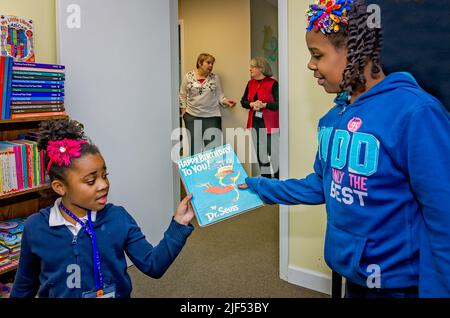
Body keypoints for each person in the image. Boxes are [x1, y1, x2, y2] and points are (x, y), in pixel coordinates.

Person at [240, 0, 450, 298]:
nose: (310, 64)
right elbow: (320, 184)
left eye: (317, 55)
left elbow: (443, 216)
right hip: (352, 273)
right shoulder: (333, 118)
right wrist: (259, 186)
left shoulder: (416, 113)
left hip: (399, 284)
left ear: (356, 53)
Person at [10, 119, 195, 298]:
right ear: (60, 187)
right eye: (91, 181)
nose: (103, 185)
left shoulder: (118, 218)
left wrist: (179, 223)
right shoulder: (36, 227)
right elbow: (24, 286)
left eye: (104, 175)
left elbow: (153, 265)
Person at [179, 53, 236, 155]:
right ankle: (198, 171)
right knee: (195, 149)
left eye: (212, 64)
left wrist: (225, 101)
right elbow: (182, 95)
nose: (211, 66)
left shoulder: (215, 78)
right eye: (208, 63)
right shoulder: (188, 76)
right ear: (200, 63)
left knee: (213, 150)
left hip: (212, 117)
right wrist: (184, 114)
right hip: (192, 117)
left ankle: (213, 171)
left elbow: (220, 96)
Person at [241, 57, 280, 179]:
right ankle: (266, 182)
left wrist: (265, 105)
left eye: (253, 67)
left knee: (274, 155)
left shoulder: (273, 84)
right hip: (255, 124)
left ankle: (279, 181)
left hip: (270, 125)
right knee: (261, 156)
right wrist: (252, 104)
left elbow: (279, 104)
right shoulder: (250, 83)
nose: (250, 69)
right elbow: (243, 102)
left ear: (261, 69)